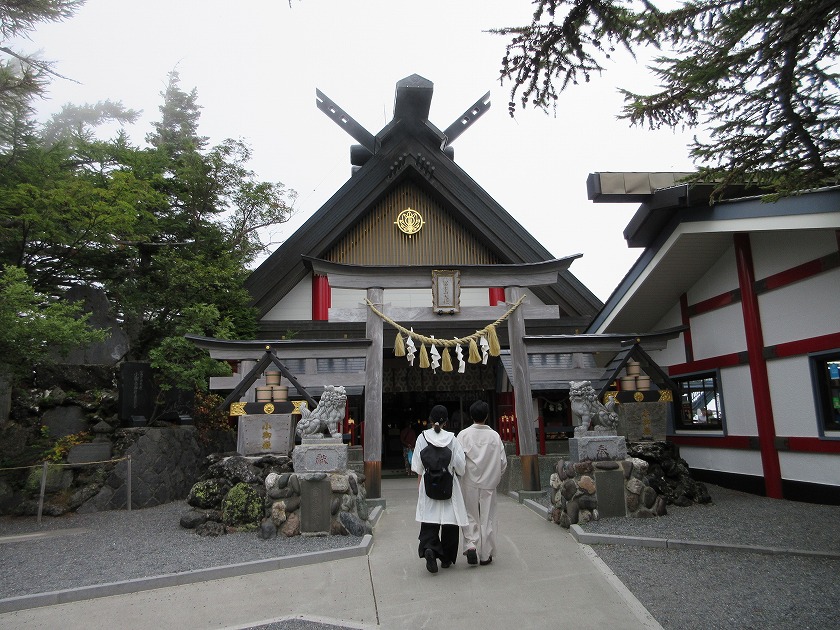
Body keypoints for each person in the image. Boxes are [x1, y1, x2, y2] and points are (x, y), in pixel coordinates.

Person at [411, 405, 467, 574]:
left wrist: (420, 484)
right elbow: (461, 467)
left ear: (430, 419)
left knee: (429, 518)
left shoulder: (422, 437)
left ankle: (430, 548)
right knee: (450, 521)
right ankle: (447, 557)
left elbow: (417, 466)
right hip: (449, 484)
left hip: (429, 483)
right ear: (446, 421)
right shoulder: (452, 439)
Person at [457, 400, 507, 567]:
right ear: (487, 415)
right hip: (489, 483)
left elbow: (458, 461)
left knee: (470, 514)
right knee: (488, 517)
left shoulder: (463, 435)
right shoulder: (495, 436)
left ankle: (471, 544)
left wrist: (460, 476)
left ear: (471, 416)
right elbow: (502, 462)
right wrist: (495, 476)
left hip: (469, 481)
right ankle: (485, 554)